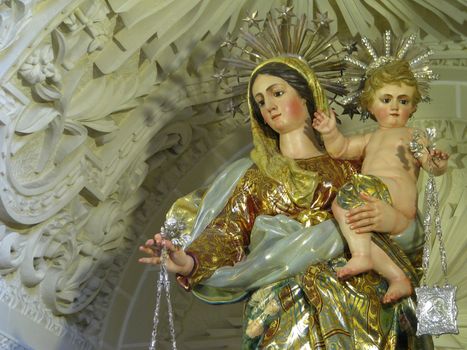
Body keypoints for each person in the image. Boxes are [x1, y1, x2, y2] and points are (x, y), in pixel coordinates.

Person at [139, 57, 432, 349]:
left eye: (277, 93)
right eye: (261, 102)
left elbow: (408, 224)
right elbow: (226, 232)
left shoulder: (350, 165)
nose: (270, 106)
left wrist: (390, 220)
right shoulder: (255, 178)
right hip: (286, 305)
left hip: (362, 302)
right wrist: (189, 262)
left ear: (306, 96)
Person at [312, 60, 449, 304]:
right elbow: (340, 149)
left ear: (413, 107)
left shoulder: (413, 134)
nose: (395, 107)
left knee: (348, 202)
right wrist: (330, 132)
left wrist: (436, 163)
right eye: (386, 100)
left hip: (395, 195)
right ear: (370, 105)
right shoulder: (370, 138)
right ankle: (395, 276)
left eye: (403, 101)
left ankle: (362, 255)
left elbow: (427, 162)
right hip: (371, 193)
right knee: (353, 220)